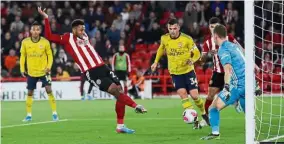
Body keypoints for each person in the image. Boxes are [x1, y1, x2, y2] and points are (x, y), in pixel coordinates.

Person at [38, 7, 147, 134]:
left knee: (119, 90)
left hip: (103, 67)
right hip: (91, 72)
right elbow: (49, 36)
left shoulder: (85, 37)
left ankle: (120, 126)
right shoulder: (68, 38)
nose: (83, 30)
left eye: (84, 28)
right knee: (114, 90)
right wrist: (46, 18)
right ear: (74, 29)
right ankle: (136, 106)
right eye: (80, 28)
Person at [151, 18, 206, 129]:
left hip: (188, 71)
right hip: (175, 73)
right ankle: (194, 119)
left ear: (178, 28)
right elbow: (161, 49)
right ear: (168, 28)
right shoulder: (164, 38)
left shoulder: (187, 39)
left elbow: (196, 53)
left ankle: (204, 113)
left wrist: (193, 60)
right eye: (170, 28)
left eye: (174, 28)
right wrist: (155, 62)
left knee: (195, 95)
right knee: (183, 95)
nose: (172, 31)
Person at [201, 24, 245, 140]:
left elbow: (228, 69)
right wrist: (255, 84)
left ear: (215, 36)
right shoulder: (235, 46)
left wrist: (226, 87)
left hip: (237, 86)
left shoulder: (223, 49)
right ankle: (254, 132)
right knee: (249, 114)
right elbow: (245, 62)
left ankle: (215, 133)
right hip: (248, 84)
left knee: (213, 108)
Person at [20, 21, 59, 122]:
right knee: (29, 93)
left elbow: (50, 55)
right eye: (33, 29)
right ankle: (28, 115)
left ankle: (54, 113)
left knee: (49, 90)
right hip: (31, 72)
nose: (35, 31)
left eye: (37, 29)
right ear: (30, 31)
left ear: (40, 31)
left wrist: (49, 67)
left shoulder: (45, 42)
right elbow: (22, 56)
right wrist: (22, 69)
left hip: (44, 72)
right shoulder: (25, 42)